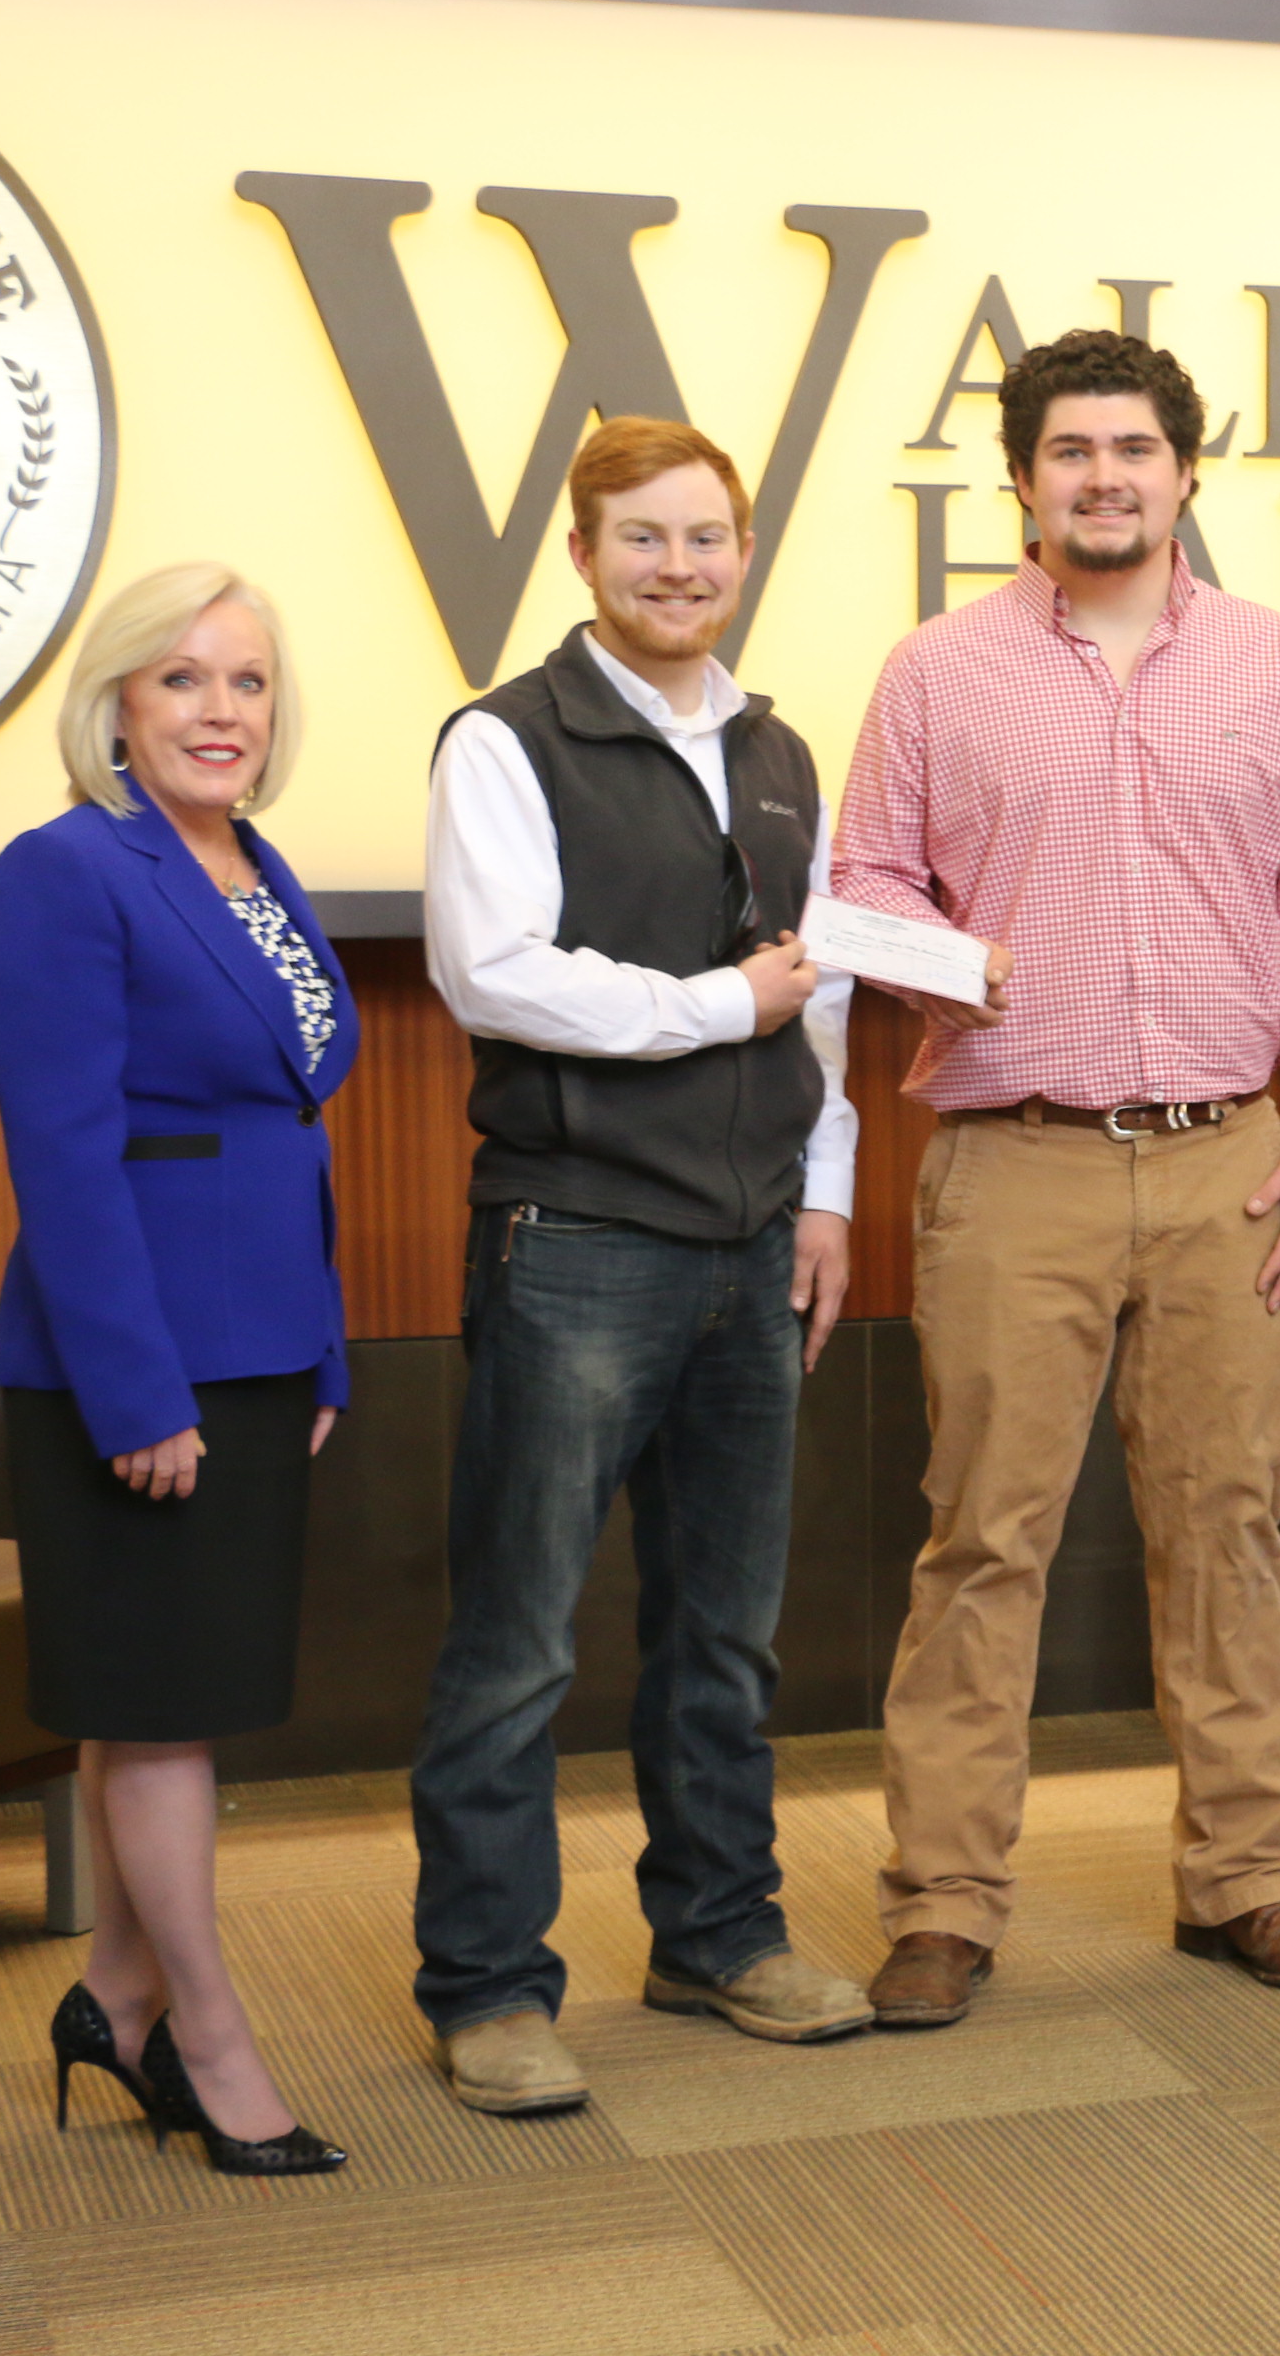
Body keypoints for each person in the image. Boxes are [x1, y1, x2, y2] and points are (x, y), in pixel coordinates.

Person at [833, 330, 1280, 2020]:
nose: (1102, 476)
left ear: (1183, 471)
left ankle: (1246, 1880)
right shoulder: (934, 673)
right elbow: (860, 883)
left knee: (1227, 1531)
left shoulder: (1279, 670)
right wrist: (961, 963)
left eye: (1132, 449)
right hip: (1017, 1163)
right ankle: (943, 1899)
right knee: (981, 1539)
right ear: (1019, 480)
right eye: (1068, 450)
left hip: (1231, 1162)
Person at [412, 416, 869, 2115]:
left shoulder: (778, 747)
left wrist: (821, 1196)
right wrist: (709, 1008)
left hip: (756, 1248)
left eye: (707, 539)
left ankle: (716, 1932)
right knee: (519, 1637)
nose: (680, 568)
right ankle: (484, 1983)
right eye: (644, 540)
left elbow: (817, 991)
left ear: (741, 552)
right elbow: (495, 974)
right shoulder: (504, 739)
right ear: (583, 555)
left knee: (724, 1634)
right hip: (578, 1241)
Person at [0, 563, 356, 2177]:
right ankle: (206, 2037)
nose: (221, 712)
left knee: (155, 1708)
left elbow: (283, 1125)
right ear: (117, 705)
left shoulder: (253, 869)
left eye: (248, 682)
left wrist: (321, 1338)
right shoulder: (64, 871)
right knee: (168, 1720)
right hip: (133, 1367)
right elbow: (65, 1161)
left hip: (262, 1342)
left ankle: (111, 2000)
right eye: (183, 680)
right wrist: (139, 1395)